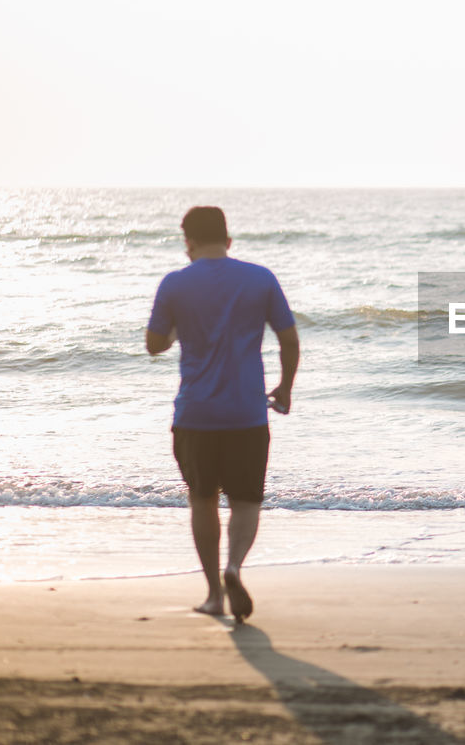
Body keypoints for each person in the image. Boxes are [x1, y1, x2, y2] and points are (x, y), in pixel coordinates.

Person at [145, 206, 299, 622]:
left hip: (195, 414)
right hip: (247, 413)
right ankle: (234, 567)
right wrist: (284, 388)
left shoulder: (175, 284)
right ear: (229, 241)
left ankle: (214, 593)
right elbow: (288, 339)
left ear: (188, 243)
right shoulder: (260, 278)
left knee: (202, 501)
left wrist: (180, 326)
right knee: (247, 501)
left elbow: (154, 345)